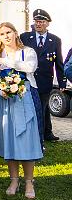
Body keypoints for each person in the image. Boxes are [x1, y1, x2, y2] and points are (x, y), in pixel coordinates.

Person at [0, 22, 43, 199]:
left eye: (8, 32)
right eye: (2, 34)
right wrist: (1, 91)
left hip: (25, 99)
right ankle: (14, 180)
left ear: (15, 33)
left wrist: (6, 61)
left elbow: (30, 68)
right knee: (9, 141)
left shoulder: (27, 52)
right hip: (6, 102)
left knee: (26, 141)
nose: (5, 36)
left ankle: (29, 182)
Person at [20, 9, 66, 142]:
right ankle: (41, 135)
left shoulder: (55, 40)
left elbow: (59, 62)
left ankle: (41, 136)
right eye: (36, 21)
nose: (38, 24)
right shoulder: (25, 37)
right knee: (37, 108)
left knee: (41, 107)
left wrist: (62, 82)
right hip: (28, 80)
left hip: (45, 81)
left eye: (41, 21)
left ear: (47, 24)